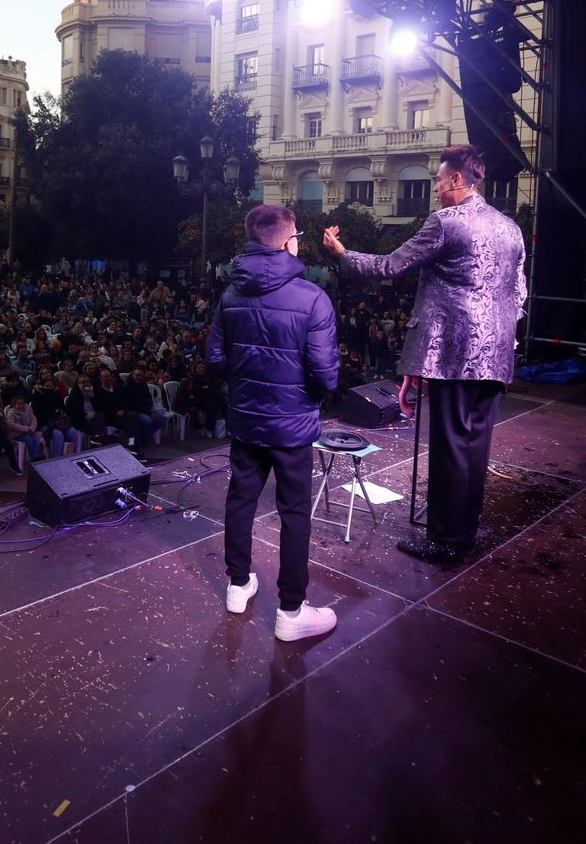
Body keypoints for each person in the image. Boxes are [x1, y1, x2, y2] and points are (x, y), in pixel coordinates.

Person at [323, 143, 526, 566]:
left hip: (455, 354)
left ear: (456, 180)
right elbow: (520, 292)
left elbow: (391, 266)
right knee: (475, 446)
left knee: (451, 446)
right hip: (496, 355)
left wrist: (343, 255)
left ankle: (446, 540)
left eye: (437, 179)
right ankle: (464, 530)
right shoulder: (510, 227)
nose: (434, 188)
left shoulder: (447, 223)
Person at [206, 204, 340, 642]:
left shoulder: (230, 295)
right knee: (295, 512)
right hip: (292, 425)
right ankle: (291, 611)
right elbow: (325, 374)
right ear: (288, 241)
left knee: (240, 501)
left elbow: (215, 360)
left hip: (246, 419)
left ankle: (237, 585)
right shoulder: (313, 298)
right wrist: (307, 401)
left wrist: (244, 390)